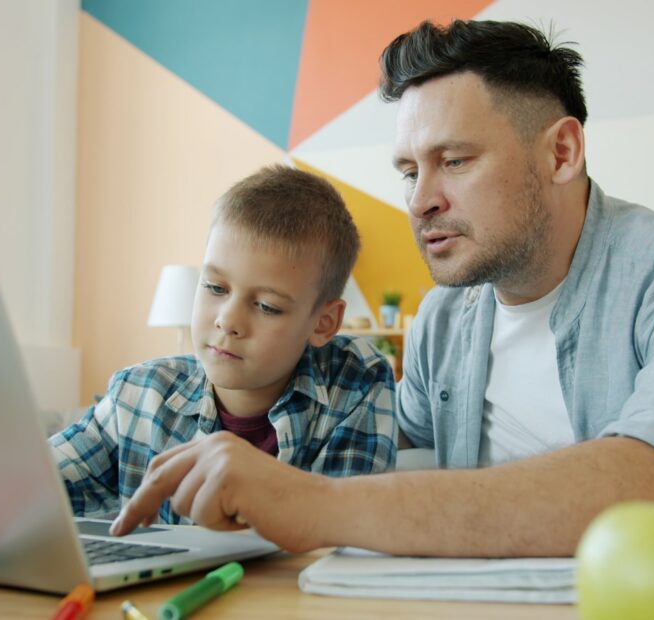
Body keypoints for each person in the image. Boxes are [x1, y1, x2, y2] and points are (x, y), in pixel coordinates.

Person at [110, 20, 654, 553]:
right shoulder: (447, 318)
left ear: (561, 152)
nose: (419, 202)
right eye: (410, 171)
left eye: (454, 160)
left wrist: (313, 503)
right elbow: (386, 447)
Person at [51, 165, 397, 523]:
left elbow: (347, 527)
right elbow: (32, 490)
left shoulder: (355, 383)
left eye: (267, 306)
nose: (228, 320)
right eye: (215, 288)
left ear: (324, 323)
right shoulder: (137, 396)